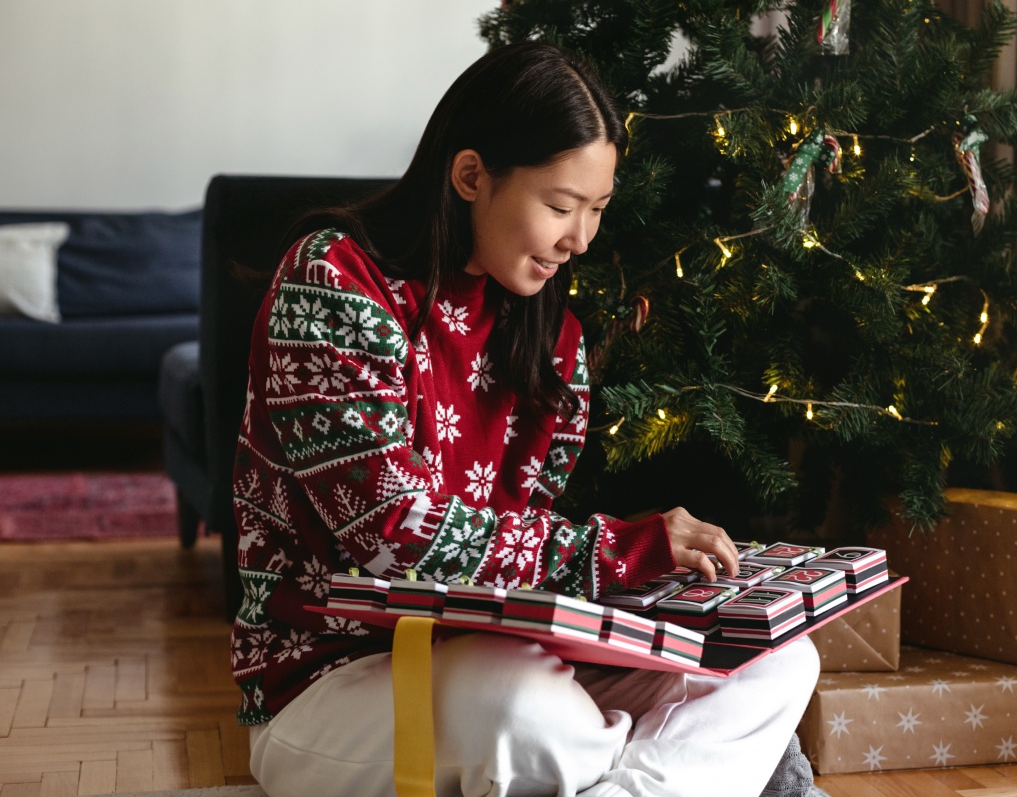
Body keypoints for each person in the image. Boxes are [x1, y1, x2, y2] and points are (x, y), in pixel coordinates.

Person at [230, 40, 820, 797]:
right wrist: (623, 550)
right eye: (560, 206)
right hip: (333, 684)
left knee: (780, 659)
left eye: (597, 210)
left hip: (494, 655)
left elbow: (514, 556)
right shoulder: (334, 284)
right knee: (521, 706)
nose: (580, 240)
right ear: (472, 175)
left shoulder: (551, 336)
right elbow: (394, 540)